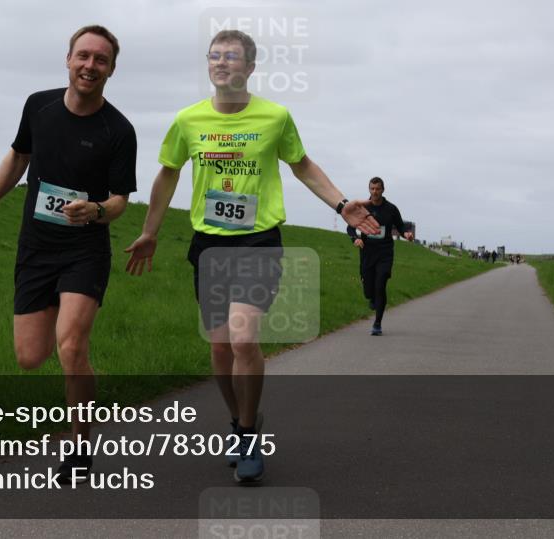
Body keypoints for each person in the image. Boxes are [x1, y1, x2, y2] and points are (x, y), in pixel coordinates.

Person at [125, 29, 378, 484]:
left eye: (232, 57)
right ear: (208, 65)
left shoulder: (275, 117)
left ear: (250, 68)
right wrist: (149, 231)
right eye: (215, 56)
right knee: (220, 346)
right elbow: (168, 173)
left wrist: (341, 205)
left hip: (258, 241)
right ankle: (241, 418)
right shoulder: (188, 121)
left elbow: (301, 164)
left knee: (243, 340)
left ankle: (246, 433)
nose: (222, 63)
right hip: (208, 244)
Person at [0, 25, 137, 482]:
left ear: (111, 70)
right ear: (68, 59)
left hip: (84, 251)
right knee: (29, 356)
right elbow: (18, 157)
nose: (90, 66)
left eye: (101, 60)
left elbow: (121, 201)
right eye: (83, 56)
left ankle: (79, 448)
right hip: (36, 249)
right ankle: (76, 359)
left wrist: (96, 209)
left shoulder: (118, 130)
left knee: (71, 346)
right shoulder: (37, 105)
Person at [347, 177, 413, 336]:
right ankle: (372, 298)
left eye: (377, 189)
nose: (375, 192)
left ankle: (377, 324)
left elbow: (400, 225)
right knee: (369, 291)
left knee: (380, 284)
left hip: (385, 252)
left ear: (383, 190)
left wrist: (406, 234)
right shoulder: (362, 208)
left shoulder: (391, 209)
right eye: (372, 189)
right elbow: (350, 228)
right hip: (367, 253)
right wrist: (355, 238)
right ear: (369, 190)